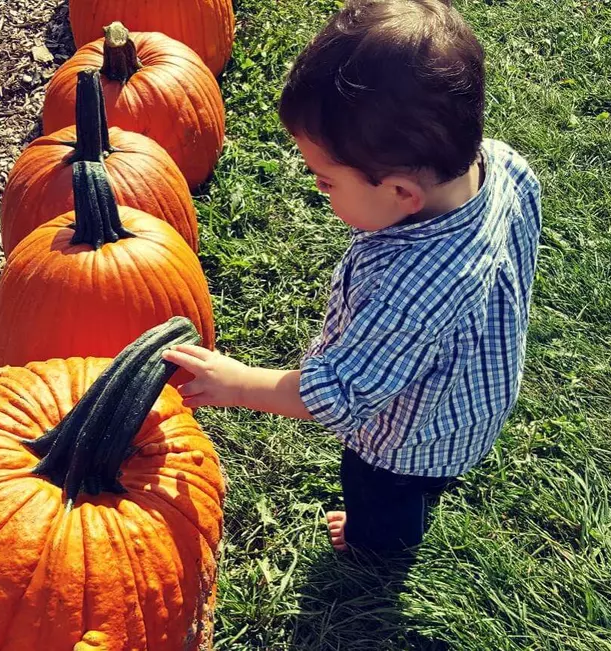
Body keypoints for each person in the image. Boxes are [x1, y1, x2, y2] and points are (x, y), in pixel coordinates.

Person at [163, 0, 542, 553]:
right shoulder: (506, 165)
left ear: (402, 194)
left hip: (410, 440)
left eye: (325, 182)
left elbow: (337, 394)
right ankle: (424, 491)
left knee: (382, 493)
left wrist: (235, 381)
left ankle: (378, 541)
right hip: (475, 392)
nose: (319, 190)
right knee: (423, 480)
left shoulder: (407, 294)